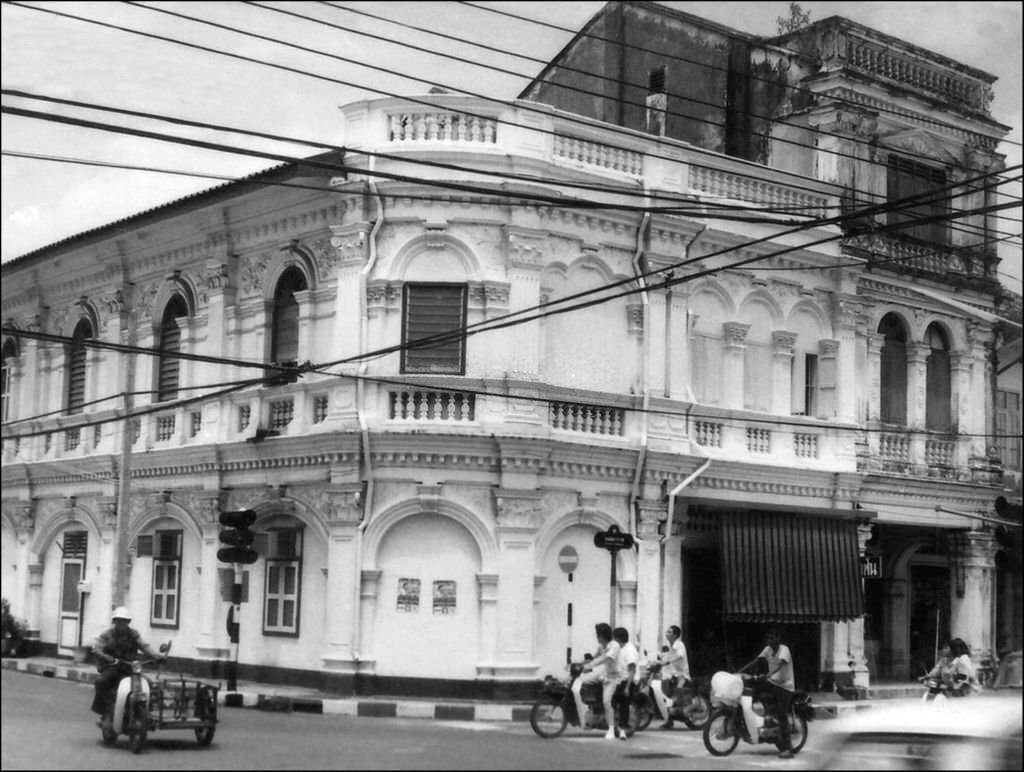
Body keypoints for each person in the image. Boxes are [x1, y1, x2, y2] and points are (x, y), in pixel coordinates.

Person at [90, 606, 164, 729]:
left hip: (130, 667)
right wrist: (107, 658)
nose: (121, 623)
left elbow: (144, 646)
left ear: (128, 622)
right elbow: (97, 649)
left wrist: (156, 656)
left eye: (123, 621)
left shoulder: (133, 634)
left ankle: (147, 712)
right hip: (112, 667)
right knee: (101, 682)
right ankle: (105, 712)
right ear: (114, 621)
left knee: (150, 685)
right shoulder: (107, 635)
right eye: (118, 620)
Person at [741, 628, 795, 759]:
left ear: (778, 639)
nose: (769, 641)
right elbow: (756, 661)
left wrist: (767, 675)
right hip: (772, 682)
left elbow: (780, 665)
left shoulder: (784, 650)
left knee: (782, 714)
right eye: (768, 638)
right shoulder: (768, 649)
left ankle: (788, 748)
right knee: (752, 691)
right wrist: (740, 671)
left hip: (785, 686)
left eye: (772, 638)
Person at [573, 623, 624, 740]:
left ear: (602, 635)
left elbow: (604, 658)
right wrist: (578, 664)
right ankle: (589, 707)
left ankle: (611, 729)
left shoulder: (614, 646)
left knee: (606, 701)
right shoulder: (601, 646)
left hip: (613, 677)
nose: (596, 637)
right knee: (580, 680)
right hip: (603, 672)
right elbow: (594, 657)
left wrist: (589, 665)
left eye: (598, 634)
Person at [655, 624, 692, 730]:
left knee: (676, 698)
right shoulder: (670, 646)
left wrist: (668, 661)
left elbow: (679, 656)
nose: (666, 633)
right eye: (667, 631)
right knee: (667, 697)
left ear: (675, 635)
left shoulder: (679, 645)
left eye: (669, 632)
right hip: (673, 675)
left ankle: (683, 716)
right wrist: (658, 659)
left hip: (682, 676)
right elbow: (665, 657)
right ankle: (669, 721)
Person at [612, 627, 640, 738]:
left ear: (618, 639)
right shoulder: (621, 648)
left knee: (623, 701)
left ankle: (624, 726)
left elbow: (632, 671)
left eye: (614, 639)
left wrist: (627, 688)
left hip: (628, 682)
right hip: (620, 680)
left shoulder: (630, 650)